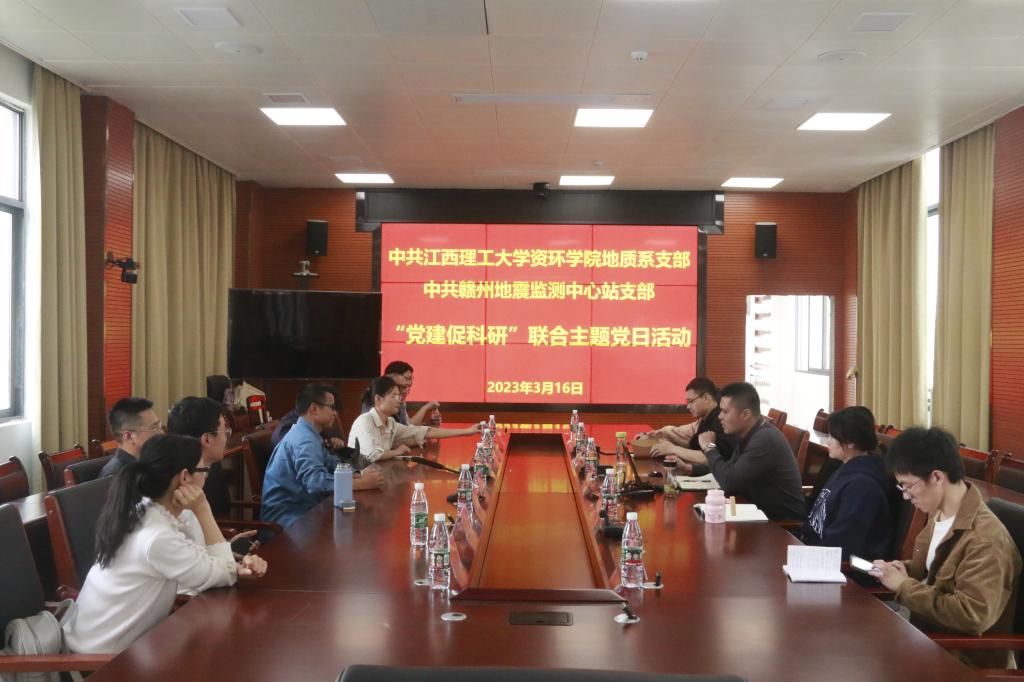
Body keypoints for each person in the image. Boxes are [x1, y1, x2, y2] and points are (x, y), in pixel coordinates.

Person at [63, 434, 267, 654]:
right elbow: (224, 576)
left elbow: (209, 565)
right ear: (185, 477)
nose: (206, 476)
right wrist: (203, 508)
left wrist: (237, 567)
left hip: (126, 646)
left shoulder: (146, 510)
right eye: (204, 470)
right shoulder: (157, 537)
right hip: (99, 661)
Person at [874, 426, 1021, 668]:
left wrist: (903, 586)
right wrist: (903, 570)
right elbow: (936, 571)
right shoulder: (940, 513)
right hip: (923, 635)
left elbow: (971, 615)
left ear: (937, 477)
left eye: (908, 486)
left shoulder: (987, 540)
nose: (906, 496)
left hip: (960, 660)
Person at [261, 385, 384, 529]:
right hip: (288, 519)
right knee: (357, 527)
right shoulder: (304, 439)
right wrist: (362, 483)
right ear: (314, 409)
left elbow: (333, 464)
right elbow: (315, 482)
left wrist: (357, 474)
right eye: (331, 407)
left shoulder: (311, 434)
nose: (335, 413)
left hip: (306, 510)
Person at [696, 382, 805, 521]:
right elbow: (729, 469)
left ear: (746, 414)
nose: (719, 416)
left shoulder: (765, 439)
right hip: (756, 514)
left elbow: (729, 483)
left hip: (782, 525)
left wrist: (709, 447)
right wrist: (690, 468)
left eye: (725, 412)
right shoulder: (746, 434)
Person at [801, 406, 896, 559]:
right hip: (812, 548)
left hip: (833, 563)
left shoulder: (863, 487)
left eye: (832, 436)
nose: (827, 441)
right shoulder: (845, 467)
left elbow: (842, 546)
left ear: (850, 442)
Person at [348, 375, 479, 462]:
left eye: (399, 396)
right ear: (378, 399)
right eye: (394, 396)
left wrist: (466, 431)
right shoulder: (364, 421)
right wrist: (396, 451)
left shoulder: (391, 423)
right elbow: (372, 454)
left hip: (379, 476)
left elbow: (423, 431)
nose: (399, 400)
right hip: (359, 480)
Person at [646, 377, 734, 476]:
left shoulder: (720, 422)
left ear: (706, 398)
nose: (688, 407)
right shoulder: (705, 419)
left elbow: (711, 456)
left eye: (691, 401)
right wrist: (667, 436)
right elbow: (694, 446)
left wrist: (672, 449)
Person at [167, 396, 234, 518]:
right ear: (207, 439)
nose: (227, 438)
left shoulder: (211, 465)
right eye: (225, 432)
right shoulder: (182, 483)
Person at [99, 397, 163, 478]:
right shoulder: (116, 478)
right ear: (129, 437)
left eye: (159, 426)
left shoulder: (148, 462)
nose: (161, 433)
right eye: (154, 428)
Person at [373, 360, 439, 426]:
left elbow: (407, 426)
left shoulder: (401, 403)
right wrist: (426, 408)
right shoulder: (381, 402)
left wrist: (427, 424)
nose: (409, 383)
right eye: (406, 378)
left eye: (410, 379)